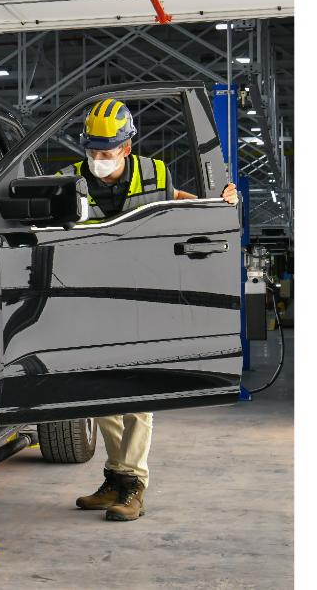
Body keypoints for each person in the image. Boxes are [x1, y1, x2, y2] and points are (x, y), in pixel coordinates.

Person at [57, 98, 238, 521]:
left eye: (107, 151)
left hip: (143, 298)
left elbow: (177, 201)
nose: (98, 158)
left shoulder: (155, 173)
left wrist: (219, 204)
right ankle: (116, 477)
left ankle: (134, 484)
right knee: (99, 393)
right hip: (90, 301)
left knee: (138, 394)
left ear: (127, 146)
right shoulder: (67, 181)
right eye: (92, 150)